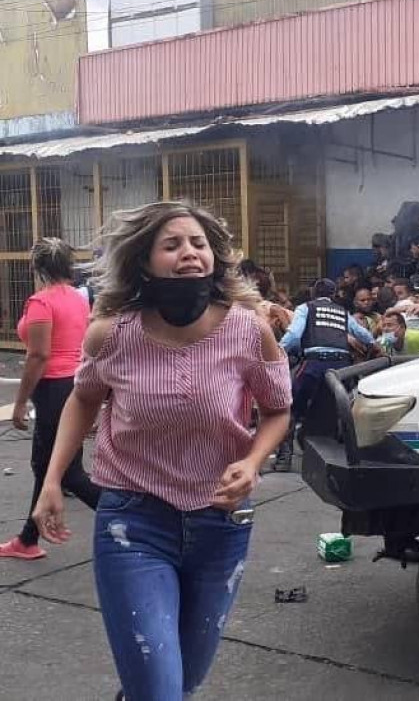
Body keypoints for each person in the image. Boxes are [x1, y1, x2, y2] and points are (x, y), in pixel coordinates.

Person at [30, 202, 292, 700]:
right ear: (144, 262)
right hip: (133, 524)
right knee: (158, 690)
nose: (189, 253)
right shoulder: (112, 335)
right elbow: (83, 400)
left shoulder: (248, 330)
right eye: (171, 245)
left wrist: (252, 461)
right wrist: (52, 481)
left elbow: (278, 410)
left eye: (198, 243)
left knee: (184, 680)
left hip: (220, 524)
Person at [0, 238, 101, 561]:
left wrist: (20, 403)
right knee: (45, 466)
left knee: (68, 473)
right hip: (74, 383)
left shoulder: (40, 303)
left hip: (53, 389)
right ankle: (27, 539)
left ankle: (131, 522)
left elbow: (38, 356)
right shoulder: (78, 299)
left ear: (38, 267)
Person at [278, 278, 374, 471]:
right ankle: (341, 455)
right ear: (333, 295)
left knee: (290, 407)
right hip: (341, 367)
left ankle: (284, 457)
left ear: (313, 293)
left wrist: (277, 350)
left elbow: (294, 336)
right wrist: (373, 345)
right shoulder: (342, 312)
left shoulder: (306, 308)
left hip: (314, 364)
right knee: (337, 409)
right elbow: (363, 335)